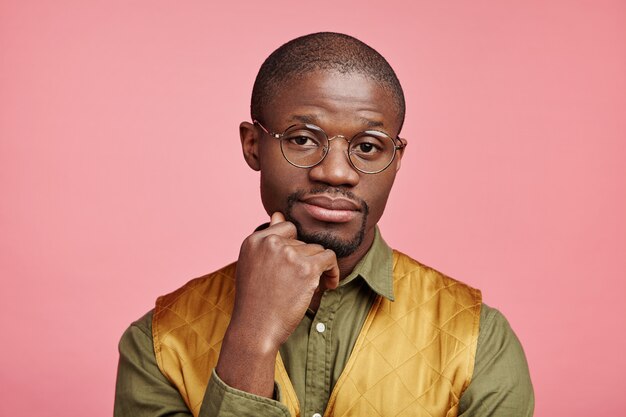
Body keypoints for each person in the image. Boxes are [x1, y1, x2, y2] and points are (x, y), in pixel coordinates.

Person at [114, 32, 534, 417]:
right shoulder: (157, 341)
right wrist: (251, 340)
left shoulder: (478, 340)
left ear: (397, 160)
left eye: (368, 146)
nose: (336, 172)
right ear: (252, 145)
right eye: (302, 138)